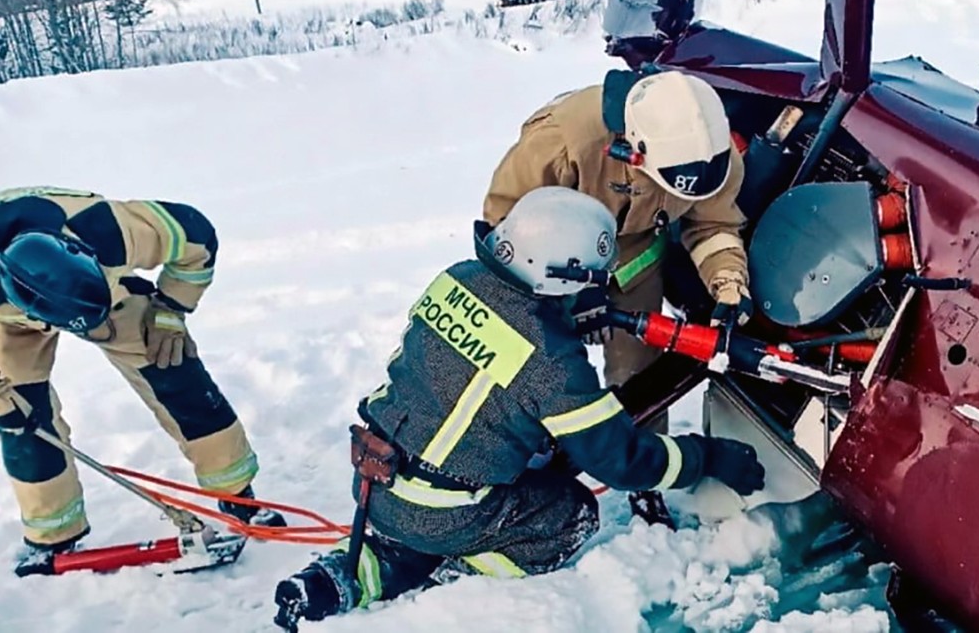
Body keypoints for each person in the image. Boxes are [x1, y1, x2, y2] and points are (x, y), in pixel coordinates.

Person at [272, 187, 765, 632]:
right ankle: (454, 572)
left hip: (376, 481)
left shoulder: (457, 279)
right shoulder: (550, 362)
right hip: (444, 510)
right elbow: (620, 460)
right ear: (558, 277)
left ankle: (335, 578)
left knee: (430, 513)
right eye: (590, 282)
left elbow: (484, 369)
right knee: (569, 512)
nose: (594, 292)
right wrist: (708, 458)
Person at [482, 69, 754, 524]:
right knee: (537, 370)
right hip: (545, 259)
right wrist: (577, 290)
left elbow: (713, 225)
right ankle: (517, 464)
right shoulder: (563, 139)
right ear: (634, 149)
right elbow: (505, 222)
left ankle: (645, 482)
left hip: (634, 257)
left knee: (639, 373)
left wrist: (728, 285)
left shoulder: (713, 156)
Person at [0, 186, 284, 577]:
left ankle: (237, 495)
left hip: (107, 296)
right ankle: (53, 533)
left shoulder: (109, 230)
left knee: (173, 367)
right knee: (20, 421)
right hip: (5, 322)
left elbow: (198, 236)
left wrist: (170, 310)